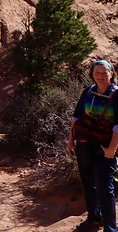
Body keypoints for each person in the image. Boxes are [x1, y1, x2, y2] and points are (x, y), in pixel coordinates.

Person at [67, 60, 118, 232]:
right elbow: (76, 117)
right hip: (85, 145)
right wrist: (70, 141)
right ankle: (94, 218)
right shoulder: (88, 91)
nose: (100, 76)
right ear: (92, 74)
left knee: (105, 187)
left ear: (112, 73)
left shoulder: (116, 95)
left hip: (105, 148)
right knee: (89, 184)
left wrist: (112, 149)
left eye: (104, 72)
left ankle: (111, 228)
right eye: (97, 72)